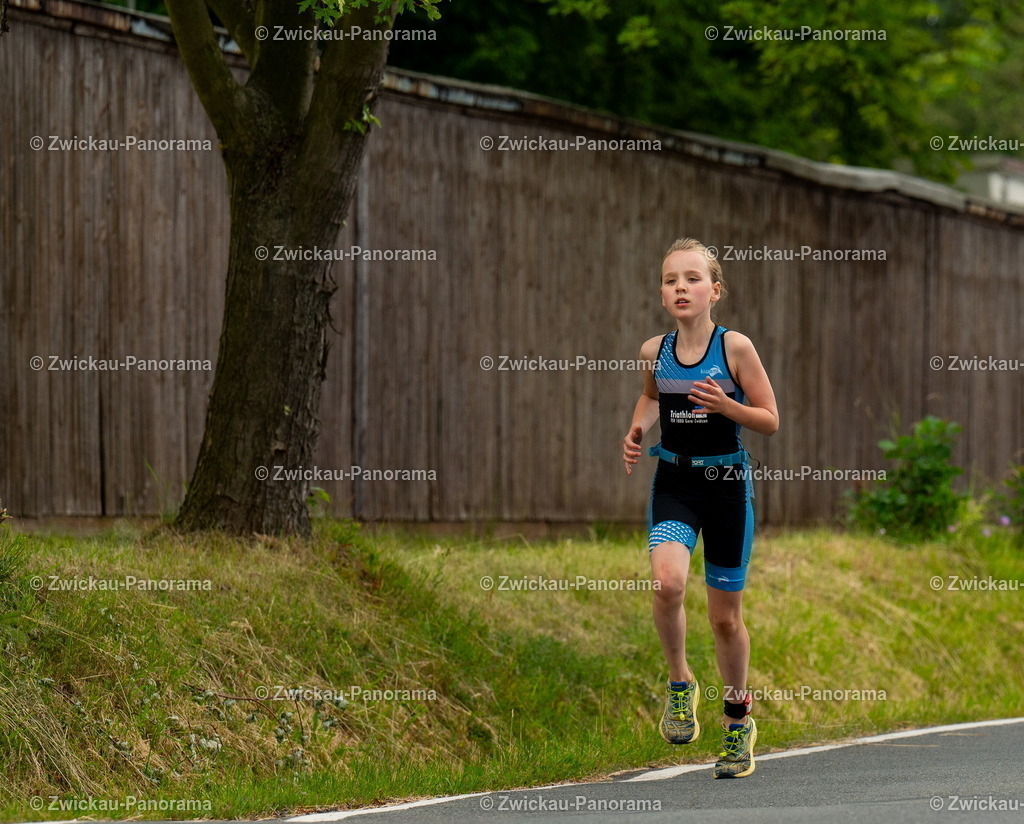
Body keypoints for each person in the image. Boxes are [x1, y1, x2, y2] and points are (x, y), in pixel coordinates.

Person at [622, 237, 779, 778]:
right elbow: (651, 398)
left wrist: (726, 404)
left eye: (692, 278)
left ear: (715, 290)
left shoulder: (735, 348)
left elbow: (769, 418)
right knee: (666, 584)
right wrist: (639, 429)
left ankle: (738, 721)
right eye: (671, 280)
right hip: (675, 482)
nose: (680, 287)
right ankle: (680, 684)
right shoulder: (654, 352)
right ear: (663, 294)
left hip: (727, 487)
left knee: (724, 619)